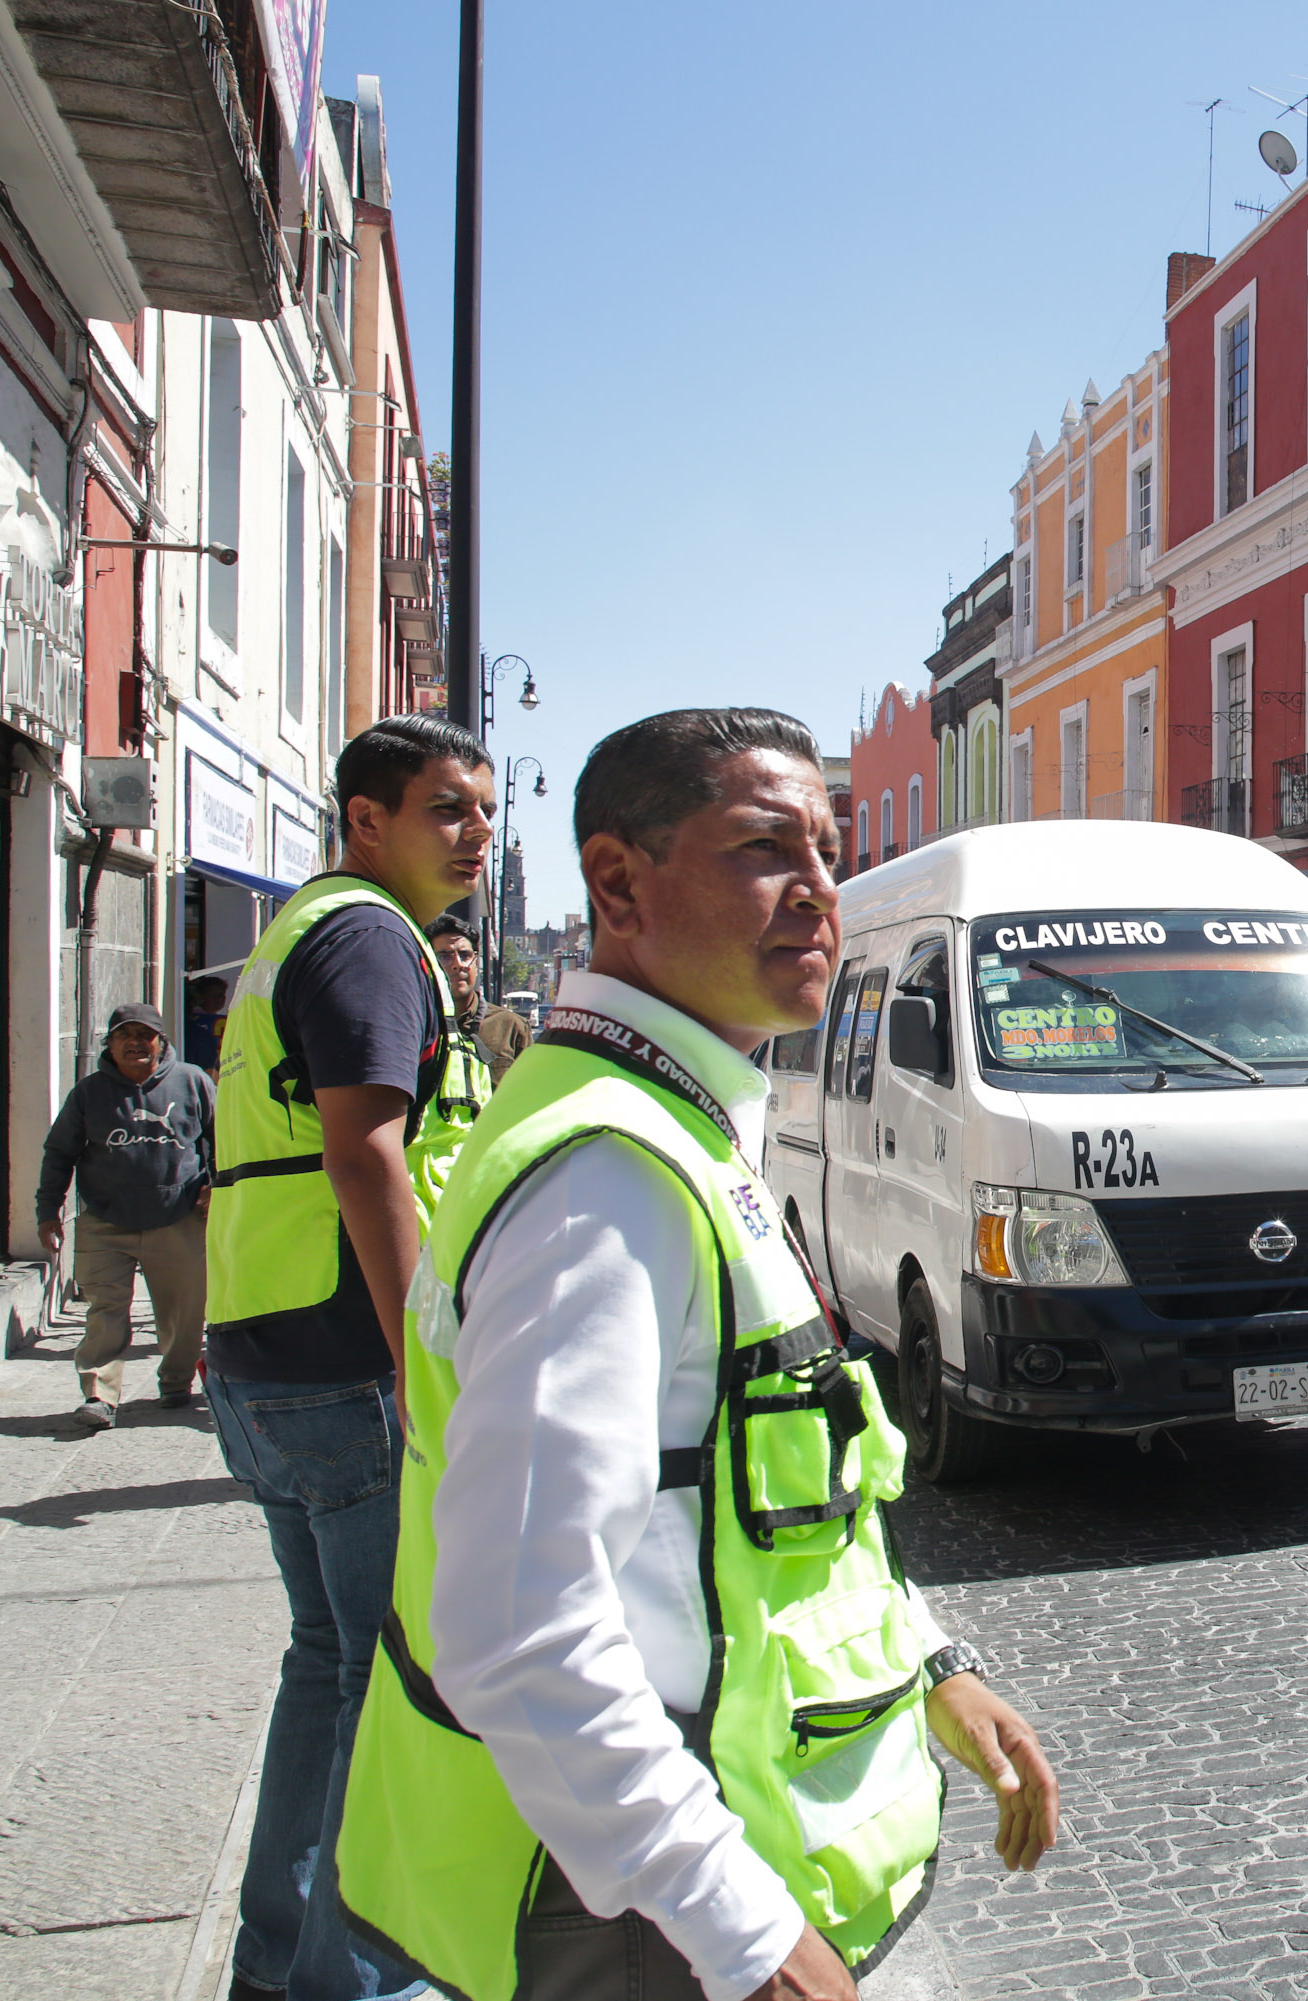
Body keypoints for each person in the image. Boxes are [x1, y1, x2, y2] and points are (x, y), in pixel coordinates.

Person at [343, 708, 1057, 2001]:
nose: (821, 893)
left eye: (829, 852)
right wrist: (741, 1934)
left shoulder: (677, 1129)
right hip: (635, 1913)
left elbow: (788, 1507)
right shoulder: (600, 1180)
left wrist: (932, 1665)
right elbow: (516, 1625)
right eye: (765, 848)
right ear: (617, 883)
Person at [205, 712, 493, 2001]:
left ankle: (277, 1965)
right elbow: (368, 1155)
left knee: (327, 1665)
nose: (478, 832)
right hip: (348, 1363)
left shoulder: (303, 930)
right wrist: (423, 1365)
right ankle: (349, 1980)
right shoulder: (373, 940)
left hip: (264, 1348)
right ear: (366, 820)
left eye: (485, 809)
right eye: (448, 809)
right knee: (387, 1691)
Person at [37, 1001, 215, 1428]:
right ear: (111, 1045)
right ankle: (99, 1394)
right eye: (125, 1036)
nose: (136, 1043)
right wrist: (48, 1210)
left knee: (184, 1312)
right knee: (105, 1308)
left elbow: (222, 1139)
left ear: (161, 1041)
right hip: (105, 1219)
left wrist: (218, 1186)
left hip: (179, 1216)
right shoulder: (89, 1093)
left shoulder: (192, 1082)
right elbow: (60, 1152)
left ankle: (176, 1380)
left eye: (145, 1036)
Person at [423, 914, 533, 1083]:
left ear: (476, 962)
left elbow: (529, 1095)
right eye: (444, 956)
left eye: (465, 955)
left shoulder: (512, 1027)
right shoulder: (415, 1025)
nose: (457, 964)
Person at [186, 973, 231, 1071]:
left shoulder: (222, 1019)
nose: (220, 999)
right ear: (202, 997)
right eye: (214, 995)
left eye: (222, 995)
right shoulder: (194, 1020)